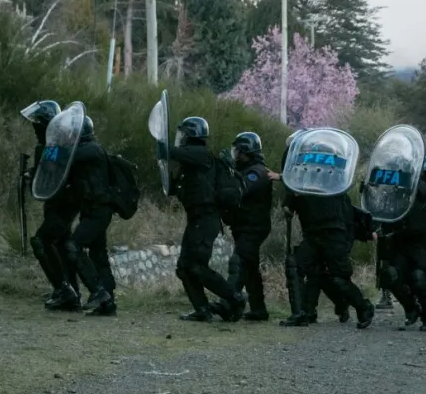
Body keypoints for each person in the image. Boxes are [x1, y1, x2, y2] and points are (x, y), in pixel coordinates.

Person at [158, 117, 245, 322]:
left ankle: (235, 298)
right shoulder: (191, 163)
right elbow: (174, 189)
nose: (181, 138)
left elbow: (169, 151)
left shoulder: (200, 154)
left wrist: (159, 140)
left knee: (197, 267)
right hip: (197, 219)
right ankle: (202, 309)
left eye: (183, 134)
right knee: (184, 267)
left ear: (191, 135)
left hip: (206, 220)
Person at [280, 141, 375, 329]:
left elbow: (345, 213)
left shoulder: (335, 180)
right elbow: (289, 203)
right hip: (312, 235)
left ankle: (363, 307)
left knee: (338, 278)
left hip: (333, 234)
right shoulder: (301, 179)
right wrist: (288, 204)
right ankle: (301, 313)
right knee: (297, 267)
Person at [21, 100, 81, 311]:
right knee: (62, 245)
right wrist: (31, 176)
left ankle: (64, 289)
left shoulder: (65, 145)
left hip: (65, 204)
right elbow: (43, 179)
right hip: (54, 204)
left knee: (42, 241)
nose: (34, 127)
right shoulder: (46, 146)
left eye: (38, 122)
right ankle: (71, 291)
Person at [377, 157, 426, 331]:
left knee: (420, 278)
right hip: (398, 239)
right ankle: (412, 309)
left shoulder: (422, 185)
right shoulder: (391, 189)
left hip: (420, 242)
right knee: (391, 275)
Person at [209, 132, 272, 321]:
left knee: (238, 262)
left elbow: (241, 189)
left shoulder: (258, 172)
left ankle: (229, 304)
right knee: (250, 268)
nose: (235, 154)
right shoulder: (244, 169)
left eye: (238, 150)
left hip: (254, 227)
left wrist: (230, 170)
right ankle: (259, 310)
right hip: (243, 226)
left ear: (246, 151)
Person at [63, 116, 117, 316]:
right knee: (98, 254)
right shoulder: (88, 150)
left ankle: (97, 291)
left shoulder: (91, 150)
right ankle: (108, 303)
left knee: (73, 245)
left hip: (98, 211)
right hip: (93, 210)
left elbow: (68, 156)